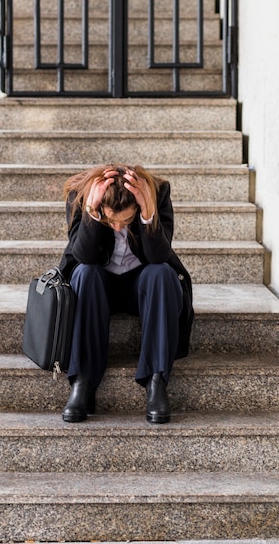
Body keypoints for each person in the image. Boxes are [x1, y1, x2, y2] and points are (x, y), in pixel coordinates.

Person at [58, 163, 193, 424]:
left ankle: (156, 380)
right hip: (97, 288)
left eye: (126, 220)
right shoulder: (80, 195)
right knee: (85, 273)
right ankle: (82, 382)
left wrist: (147, 215)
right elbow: (83, 255)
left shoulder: (158, 192)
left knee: (161, 273)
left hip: (141, 285)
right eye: (111, 220)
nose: (118, 228)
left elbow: (157, 256)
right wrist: (92, 213)